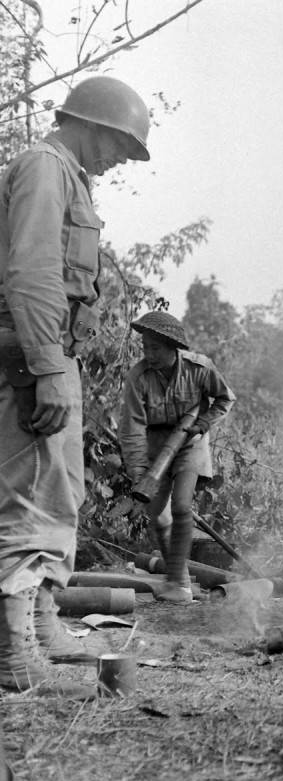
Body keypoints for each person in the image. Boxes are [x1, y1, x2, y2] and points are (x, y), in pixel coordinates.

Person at [0, 76, 150, 692]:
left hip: (58, 356)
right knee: (29, 497)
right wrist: (43, 366)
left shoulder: (70, 175)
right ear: (95, 125)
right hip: (33, 356)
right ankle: (12, 650)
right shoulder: (44, 167)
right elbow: (31, 273)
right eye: (122, 146)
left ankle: (39, 624)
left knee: (63, 493)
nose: (120, 160)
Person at [119, 311, 235, 603]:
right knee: (158, 517)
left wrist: (204, 422)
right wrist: (139, 473)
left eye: (155, 348)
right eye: (145, 347)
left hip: (190, 442)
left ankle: (177, 582)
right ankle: (178, 577)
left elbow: (225, 398)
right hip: (155, 445)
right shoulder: (138, 376)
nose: (149, 354)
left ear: (173, 347)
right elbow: (131, 428)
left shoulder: (199, 368)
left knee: (182, 506)